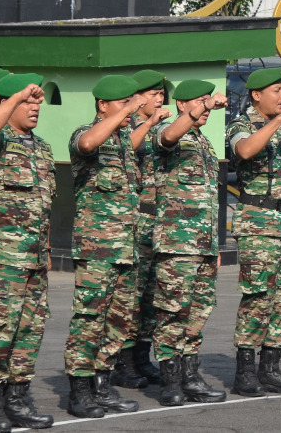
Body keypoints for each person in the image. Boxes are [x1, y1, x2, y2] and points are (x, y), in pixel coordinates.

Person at [0, 72, 55, 432]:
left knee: (29, 331)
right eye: (27, 101)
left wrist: (47, 247)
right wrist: (14, 95)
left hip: (35, 256)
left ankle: (19, 398)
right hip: (3, 257)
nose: (35, 106)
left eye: (38, 101)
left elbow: (46, 205)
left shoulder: (43, 147)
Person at [226, 67, 281, 395]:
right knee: (258, 297)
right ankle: (245, 371)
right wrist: (277, 121)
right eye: (276, 90)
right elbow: (245, 151)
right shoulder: (241, 125)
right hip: (258, 227)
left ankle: (271, 366)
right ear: (256, 95)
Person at [61, 74, 143, 418]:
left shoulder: (123, 141)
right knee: (89, 320)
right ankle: (79, 391)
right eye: (122, 103)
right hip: (97, 249)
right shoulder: (84, 132)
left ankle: (102, 385)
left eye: (129, 103)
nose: (129, 110)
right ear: (103, 105)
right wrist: (126, 112)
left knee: (118, 322)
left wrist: (145, 116)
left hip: (126, 247)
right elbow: (87, 145)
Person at [149, 78, 227, 406]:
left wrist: (214, 246)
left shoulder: (204, 143)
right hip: (176, 244)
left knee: (198, 312)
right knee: (173, 312)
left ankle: (190, 375)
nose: (207, 104)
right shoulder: (169, 133)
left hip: (203, 244)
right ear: (182, 104)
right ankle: (170, 380)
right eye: (200, 100)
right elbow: (167, 137)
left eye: (209, 99)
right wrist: (204, 108)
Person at [118, 68, 172, 390]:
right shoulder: (126, 128)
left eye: (162, 94)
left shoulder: (161, 129)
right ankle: (122, 363)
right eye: (154, 94)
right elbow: (129, 148)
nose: (160, 99)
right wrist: (149, 123)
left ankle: (141, 358)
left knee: (151, 295)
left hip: (158, 223)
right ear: (137, 99)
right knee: (131, 295)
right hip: (135, 222)